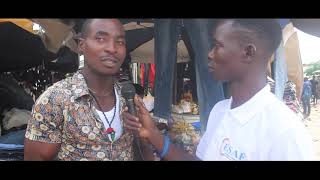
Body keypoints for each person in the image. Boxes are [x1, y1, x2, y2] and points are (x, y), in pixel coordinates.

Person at [123, 19, 314, 160]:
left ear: (248, 52)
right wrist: (154, 136)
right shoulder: (220, 110)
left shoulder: (285, 132)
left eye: (217, 46)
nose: (209, 53)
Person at [24, 19, 152, 161]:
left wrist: (144, 140)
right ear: (81, 45)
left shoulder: (130, 100)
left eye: (120, 42)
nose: (112, 48)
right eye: (101, 38)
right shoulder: (54, 100)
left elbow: (142, 152)